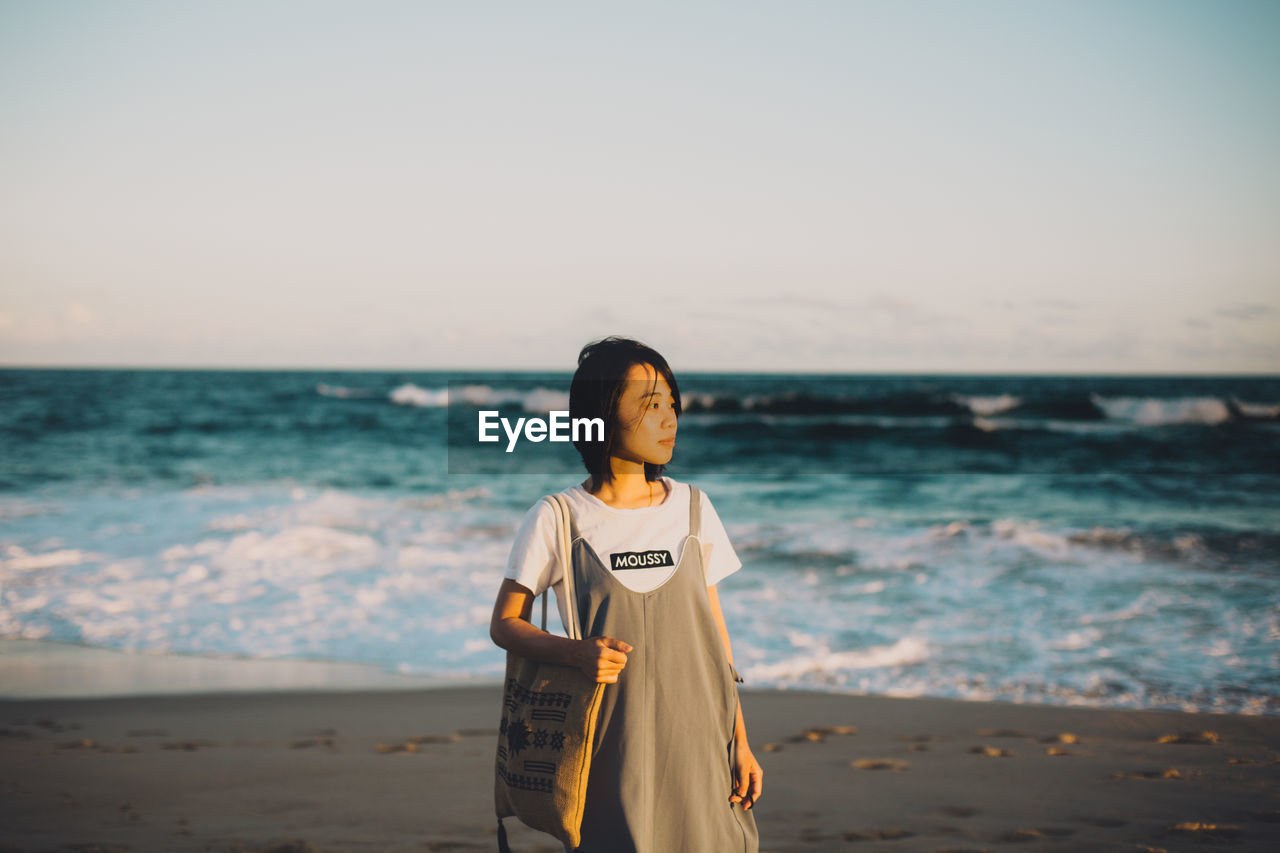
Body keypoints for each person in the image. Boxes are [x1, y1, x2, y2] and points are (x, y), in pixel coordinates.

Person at [490, 336, 762, 853]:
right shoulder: (558, 517)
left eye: (672, 405)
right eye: (649, 404)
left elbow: (716, 637)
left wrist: (741, 744)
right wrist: (574, 652)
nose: (669, 419)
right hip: (610, 745)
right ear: (600, 414)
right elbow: (504, 623)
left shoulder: (694, 508)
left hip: (701, 738)